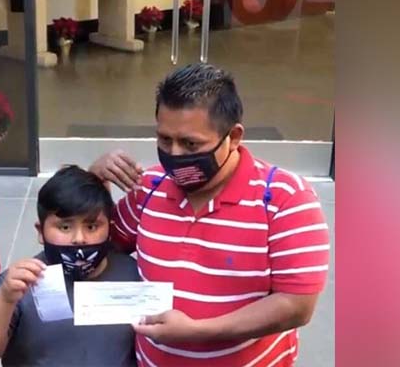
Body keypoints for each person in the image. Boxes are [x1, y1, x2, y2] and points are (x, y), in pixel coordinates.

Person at [90, 63, 330, 366]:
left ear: (234, 137)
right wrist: (91, 182)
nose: (174, 155)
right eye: (164, 140)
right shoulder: (149, 187)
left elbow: (297, 305)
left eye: (191, 144)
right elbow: (94, 247)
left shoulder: (285, 199)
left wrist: (198, 332)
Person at [0, 165, 141, 367]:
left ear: (109, 228)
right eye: (65, 227)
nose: (79, 238)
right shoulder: (18, 284)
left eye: (91, 226)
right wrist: (5, 298)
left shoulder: (134, 273)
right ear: (40, 231)